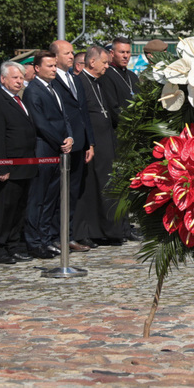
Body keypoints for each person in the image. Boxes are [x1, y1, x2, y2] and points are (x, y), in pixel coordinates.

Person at [0, 61, 38, 264]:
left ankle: (12, 246)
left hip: (24, 166)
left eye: (21, 77)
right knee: (2, 210)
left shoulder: (19, 100)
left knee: (18, 210)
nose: (19, 81)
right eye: (15, 77)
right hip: (7, 168)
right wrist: (1, 166)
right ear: (3, 79)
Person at [22, 51, 74, 259]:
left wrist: (69, 137)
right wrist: (61, 141)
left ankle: (46, 238)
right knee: (38, 199)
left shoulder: (53, 89)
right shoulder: (33, 91)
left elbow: (64, 117)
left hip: (58, 151)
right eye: (49, 66)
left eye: (55, 65)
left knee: (51, 199)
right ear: (37, 68)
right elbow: (41, 122)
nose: (54, 69)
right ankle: (34, 241)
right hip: (43, 150)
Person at [74, 45, 127, 244]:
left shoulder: (98, 82)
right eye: (104, 62)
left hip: (107, 141)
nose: (107, 66)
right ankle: (91, 232)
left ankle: (109, 230)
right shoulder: (80, 82)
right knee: (92, 188)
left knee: (106, 185)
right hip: (93, 143)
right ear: (92, 62)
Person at [49, 40, 95, 251]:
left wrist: (89, 142)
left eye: (72, 53)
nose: (71, 56)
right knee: (60, 193)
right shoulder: (51, 80)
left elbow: (83, 111)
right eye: (66, 53)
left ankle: (69, 235)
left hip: (79, 142)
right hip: (63, 143)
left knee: (74, 191)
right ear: (55, 57)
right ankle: (56, 236)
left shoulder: (74, 79)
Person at [101, 37, 140, 113]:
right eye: (122, 52)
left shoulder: (133, 76)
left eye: (128, 52)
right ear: (112, 53)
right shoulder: (106, 75)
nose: (125, 56)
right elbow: (112, 107)